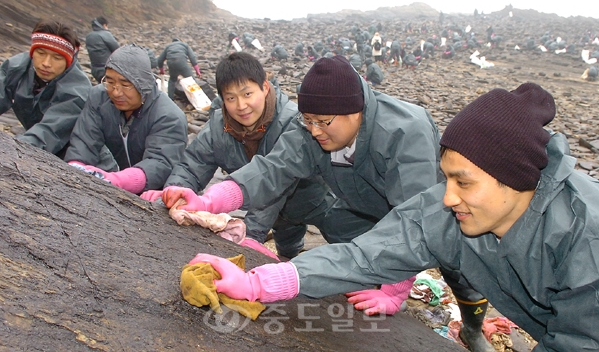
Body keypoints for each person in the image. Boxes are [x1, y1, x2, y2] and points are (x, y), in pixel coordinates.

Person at [191, 82, 599, 352]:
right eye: (446, 177)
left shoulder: (585, 237)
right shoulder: (453, 206)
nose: (446, 196)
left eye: (463, 182)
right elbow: (363, 256)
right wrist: (255, 282)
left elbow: (582, 339)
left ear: (514, 179)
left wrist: (398, 290)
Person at [158, 56, 492, 350]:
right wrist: (206, 200)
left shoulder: (406, 133)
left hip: (433, 215)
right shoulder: (313, 126)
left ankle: (473, 329)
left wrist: (395, 291)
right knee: (358, 254)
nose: (315, 130)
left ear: (356, 110)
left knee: (460, 265)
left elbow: (414, 224)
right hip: (361, 205)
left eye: (323, 122)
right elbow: (271, 170)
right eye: (308, 120)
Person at [141, 52, 329, 259]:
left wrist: (251, 233)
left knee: (332, 238)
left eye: (247, 94)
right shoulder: (218, 127)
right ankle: (288, 256)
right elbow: (192, 164)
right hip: (269, 210)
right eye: (231, 98)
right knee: (286, 246)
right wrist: (175, 194)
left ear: (265, 87)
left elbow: (276, 180)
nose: (241, 106)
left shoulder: (293, 122)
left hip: (313, 201)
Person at [64, 44, 187, 195]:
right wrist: (75, 168)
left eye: (125, 84)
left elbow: (160, 163)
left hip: (156, 193)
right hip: (119, 178)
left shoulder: (168, 116)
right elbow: (84, 141)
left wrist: (117, 181)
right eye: (110, 82)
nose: (116, 92)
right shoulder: (99, 98)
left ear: (143, 84)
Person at [0, 19, 91, 158]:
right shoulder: (16, 68)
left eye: (57, 57)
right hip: (36, 144)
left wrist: (12, 150)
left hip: (77, 159)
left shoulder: (77, 91)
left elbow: (50, 132)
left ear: (68, 61)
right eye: (41, 53)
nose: (46, 63)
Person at [85, 16, 119, 83]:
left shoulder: (89, 36)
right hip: (107, 68)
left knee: (101, 85)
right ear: (104, 25)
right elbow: (117, 49)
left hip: (94, 69)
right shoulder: (105, 34)